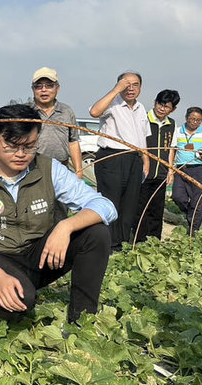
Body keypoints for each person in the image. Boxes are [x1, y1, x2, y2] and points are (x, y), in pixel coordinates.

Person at [0, 104, 117, 324]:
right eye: (11, 146)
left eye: (29, 146)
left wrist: (65, 227)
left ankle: (81, 321)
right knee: (20, 302)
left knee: (96, 233)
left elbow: (105, 206)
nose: (20, 155)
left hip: (39, 255)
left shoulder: (49, 168)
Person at [89, 72, 150, 251]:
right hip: (112, 158)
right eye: (126, 84)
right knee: (110, 202)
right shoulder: (112, 104)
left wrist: (145, 160)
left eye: (135, 84)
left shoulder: (140, 108)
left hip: (134, 160)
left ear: (140, 87)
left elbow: (142, 138)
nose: (130, 89)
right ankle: (107, 243)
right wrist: (116, 90)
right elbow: (94, 112)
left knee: (129, 204)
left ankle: (121, 243)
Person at [134, 90, 180, 242]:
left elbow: (171, 149)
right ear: (154, 102)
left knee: (157, 209)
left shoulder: (171, 124)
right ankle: (139, 241)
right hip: (143, 171)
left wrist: (170, 171)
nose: (162, 108)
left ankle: (154, 241)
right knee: (140, 209)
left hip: (161, 173)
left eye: (166, 106)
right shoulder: (143, 119)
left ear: (172, 109)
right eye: (160, 104)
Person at [171, 107, 202, 233]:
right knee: (178, 196)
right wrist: (171, 167)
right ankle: (190, 212)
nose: (195, 122)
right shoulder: (177, 131)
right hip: (181, 169)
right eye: (192, 119)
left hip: (199, 170)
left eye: (198, 120)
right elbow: (172, 150)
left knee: (198, 201)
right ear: (186, 118)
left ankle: (193, 229)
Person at [28, 67, 83, 178]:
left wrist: (79, 171)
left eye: (49, 85)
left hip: (62, 170)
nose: (44, 90)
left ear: (57, 88)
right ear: (33, 89)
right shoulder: (25, 112)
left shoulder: (66, 111)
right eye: (39, 86)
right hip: (32, 169)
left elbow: (73, 142)